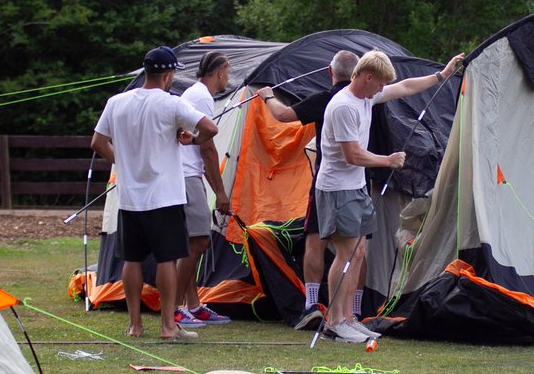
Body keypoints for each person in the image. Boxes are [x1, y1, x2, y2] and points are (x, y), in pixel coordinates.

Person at [315, 49, 464, 343]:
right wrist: (388, 160)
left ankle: (349, 318)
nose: (383, 89)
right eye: (380, 83)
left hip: (356, 187)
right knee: (345, 254)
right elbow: (351, 154)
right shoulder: (344, 106)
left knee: (358, 253)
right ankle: (335, 321)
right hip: (336, 188)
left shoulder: (367, 97)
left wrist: (442, 75)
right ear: (367, 77)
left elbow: (405, 88)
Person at [91, 46, 218, 341]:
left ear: (145, 72)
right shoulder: (171, 104)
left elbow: (98, 142)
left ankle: (135, 325)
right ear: (169, 75)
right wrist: (191, 140)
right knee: (166, 259)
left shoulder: (116, 102)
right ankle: (167, 326)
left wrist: (122, 162)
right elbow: (209, 128)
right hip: (165, 196)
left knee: (132, 260)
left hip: (130, 197)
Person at [258, 50, 359, 330]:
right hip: (358, 181)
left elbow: (282, 115)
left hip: (327, 182)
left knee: (316, 238)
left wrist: (266, 94)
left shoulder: (326, 100)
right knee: (358, 247)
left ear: (330, 71)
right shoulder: (367, 99)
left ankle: (312, 304)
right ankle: (354, 310)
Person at [174, 52, 233, 328]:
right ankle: (174, 308)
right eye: (228, 71)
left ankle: (193, 306)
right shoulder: (201, 98)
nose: (229, 77)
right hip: (187, 176)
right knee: (198, 242)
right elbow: (207, 146)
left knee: (190, 243)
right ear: (219, 72)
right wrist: (220, 193)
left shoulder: (194, 94)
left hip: (186, 174)